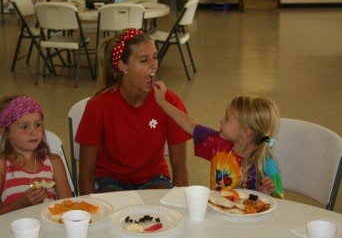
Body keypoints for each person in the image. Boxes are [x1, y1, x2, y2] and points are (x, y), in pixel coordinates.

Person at [76, 28, 191, 194]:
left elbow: (180, 167)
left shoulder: (170, 103)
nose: (154, 65)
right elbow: (85, 173)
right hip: (108, 180)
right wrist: (92, 215)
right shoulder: (98, 106)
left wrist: (181, 204)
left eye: (155, 56)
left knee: (159, 213)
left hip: (154, 179)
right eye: (144, 60)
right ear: (123, 66)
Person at [154, 82, 284, 198]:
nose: (221, 120)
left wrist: (266, 194)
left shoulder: (267, 167)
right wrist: (162, 102)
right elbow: (191, 126)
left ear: (245, 132)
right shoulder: (217, 144)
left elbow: (279, 206)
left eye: (227, 118)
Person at [0, 95, 72, 220]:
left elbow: (69, 206)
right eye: (24, 127)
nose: (34, 132)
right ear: (5, 132)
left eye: (38, 124)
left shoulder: (53, 162)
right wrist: (21, 204)